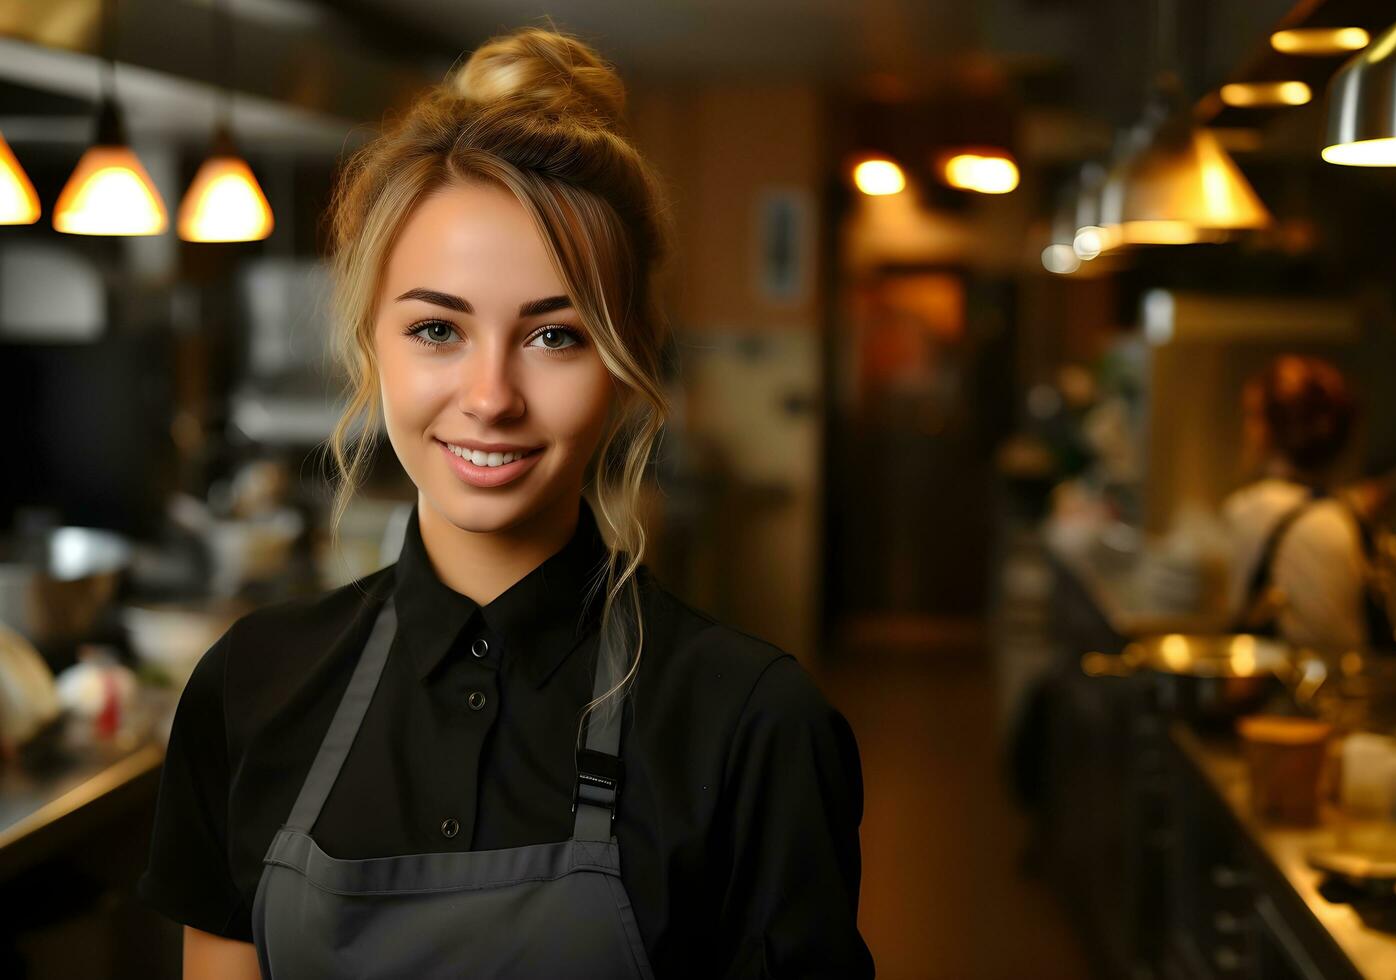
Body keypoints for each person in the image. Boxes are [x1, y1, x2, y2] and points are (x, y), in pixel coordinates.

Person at [135, 25, 873, 980]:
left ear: (628, 360)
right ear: (372, 345)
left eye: (555, 336)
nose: (490, 396)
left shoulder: (753, 726)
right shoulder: (249, 690)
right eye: (438, 328)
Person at [1223, 355, 1387, 653]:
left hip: (1295, 691)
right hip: (1360, 683)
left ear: (1269, 430)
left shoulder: (1250, 510)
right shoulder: (1349, 509)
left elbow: (1227, 611)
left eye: (1252, 415)